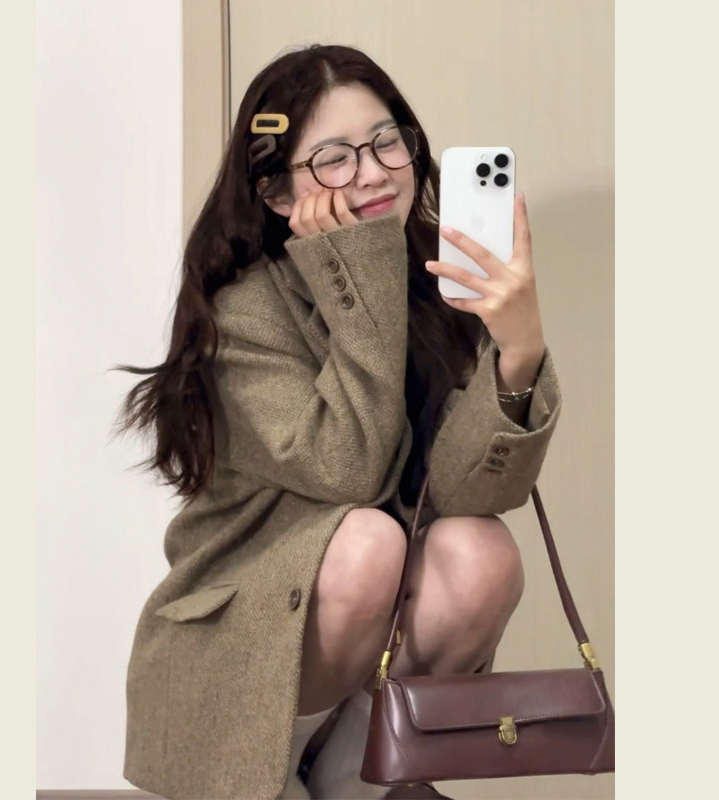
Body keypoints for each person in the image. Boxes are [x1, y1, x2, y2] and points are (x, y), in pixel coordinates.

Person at [114, 43, 561, 800]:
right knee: (366, 543)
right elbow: (347, 469)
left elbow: (467, 494)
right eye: (333, 158)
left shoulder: (442, 286)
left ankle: (356, 780)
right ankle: (269, 777)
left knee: (481, 552)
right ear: (277, 193)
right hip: (248, 642)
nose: (373, 171)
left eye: (387, 141)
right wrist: (363, 271)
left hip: (367, 643)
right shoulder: (243, 312)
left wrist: (518, 353)